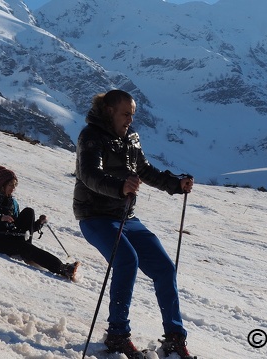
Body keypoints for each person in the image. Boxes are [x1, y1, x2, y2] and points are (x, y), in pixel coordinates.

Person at [73, 89, 196, 359]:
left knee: (164, 267)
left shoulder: (130, 138)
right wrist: (120, 187)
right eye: (125, 114)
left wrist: (175, 184)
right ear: (109, 111)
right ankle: (117, 335)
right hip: (95, 216)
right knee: (126, 260)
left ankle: (175, 338)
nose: (130, 119)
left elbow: (145, 170)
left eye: (132, 114)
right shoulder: (90, 136)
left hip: (125, 217)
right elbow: (89, 174)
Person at [0, 166, 79, 280]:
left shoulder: (11, 202)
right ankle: (62, 268)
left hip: (9, 234)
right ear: (2, 185)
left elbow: (20, 228)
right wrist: (0, 218)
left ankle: (28, 251)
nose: (13, 188)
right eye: (11, 185)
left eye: (15, 186)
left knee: (29, 211)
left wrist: (39, 223)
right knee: (24, 247)